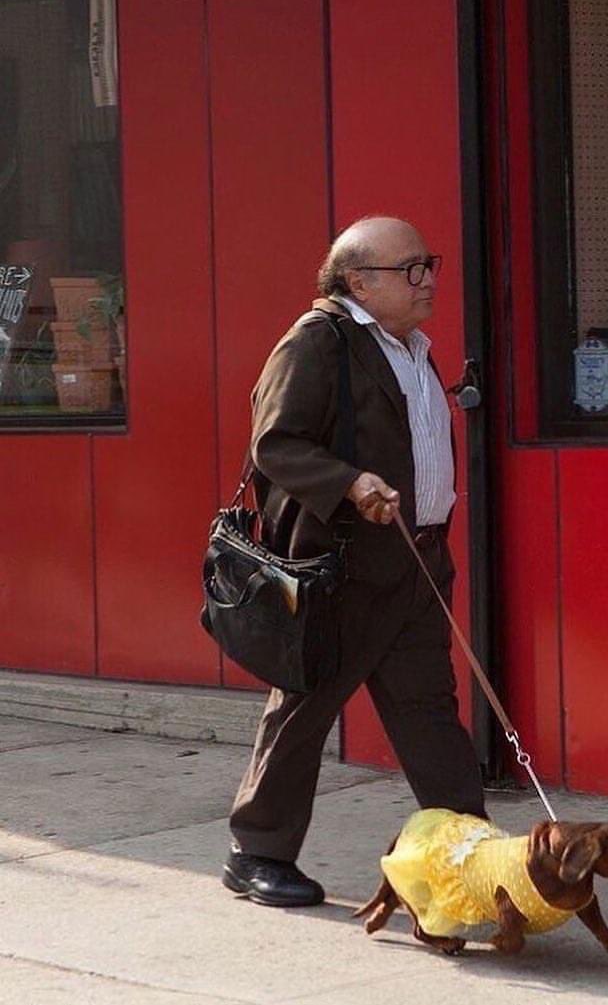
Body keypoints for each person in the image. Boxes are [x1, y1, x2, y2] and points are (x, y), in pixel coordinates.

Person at [222, 216, 486, 907]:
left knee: (428, 709)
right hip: (341, 565)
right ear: (357, 280)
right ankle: (257, 853)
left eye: (427, 264)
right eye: (409, 269)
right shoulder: (318, 341)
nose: (426, 279)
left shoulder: (411, 346)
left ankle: (472, 851)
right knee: (306, 706)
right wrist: (350, 482)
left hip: (417, 561)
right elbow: (274, 443)